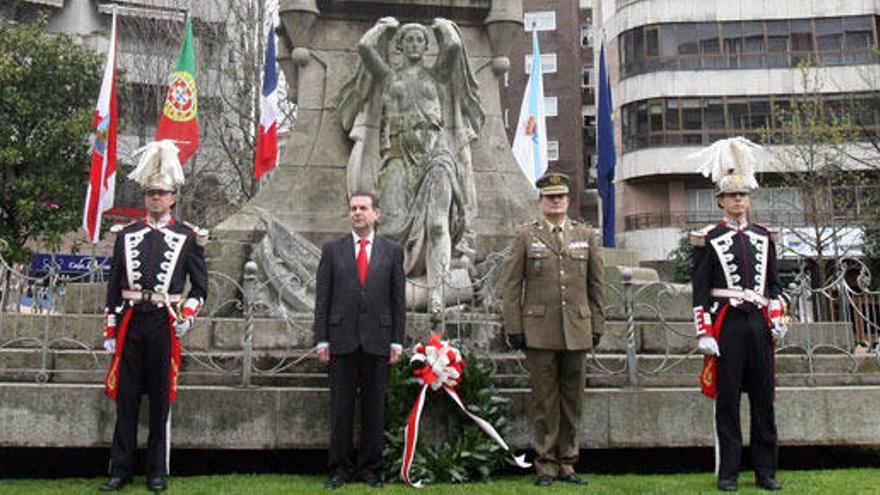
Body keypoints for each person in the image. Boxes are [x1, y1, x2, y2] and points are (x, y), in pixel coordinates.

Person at [337, 16, 484, 314]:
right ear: (400, 46)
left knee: (436, 224)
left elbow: (454, 47)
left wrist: (443, 27)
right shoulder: (389, 77)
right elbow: (365, 47)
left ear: (427, 46)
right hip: (399, 153)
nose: (416, 44)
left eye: (420, 40)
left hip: (436, 154)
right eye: (409, 40)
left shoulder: (437, 75)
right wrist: (382, 28)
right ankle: (391, 287)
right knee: (390, 225)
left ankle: (437, 293)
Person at [100, 140, 208, 492]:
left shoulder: (187, 236)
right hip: (131, 319)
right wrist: (110, 327)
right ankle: (120, 470)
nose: (155, 199)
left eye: (161, 194)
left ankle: (157, 472)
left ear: (173, 196)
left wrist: (187, 314)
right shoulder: (126, 235)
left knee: (161, 399)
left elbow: (201, 287)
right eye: (150, 194)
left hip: (164, 321)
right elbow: (114, 284)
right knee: (126, 398)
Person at [690, 138, 786, 492]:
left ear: (749, 199)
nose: (738, 201)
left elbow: (774, 285)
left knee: (764, 399)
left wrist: (776, 315)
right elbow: (700, 290)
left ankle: (766, 472)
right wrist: (705, 332)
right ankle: (728, 473)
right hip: (727, 323)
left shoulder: (765, 236)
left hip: (759, 324)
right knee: (727, 400)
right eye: (732, 197)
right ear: (720, 201)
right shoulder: (708, 238)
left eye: (743, 196)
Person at [502, 172, 605, 487]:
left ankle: (568, 463)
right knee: (545, 401)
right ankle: (545, 464)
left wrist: (596, 323)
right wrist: (515, 326)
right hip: (539, 330)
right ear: (541, 202)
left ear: (568, 201)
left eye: (560, 197)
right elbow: (511, 285)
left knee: (573, 400)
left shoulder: (585, 235)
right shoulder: (525, 235)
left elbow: (596, 284)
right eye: (550, 197)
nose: (556, 201)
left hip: (576, 327)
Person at [313, 191, 406, 489]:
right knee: (341, 410)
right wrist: (322, 340)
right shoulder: (332, 250)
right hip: (341, 341)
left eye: (363, 208)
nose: (357, 213)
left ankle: (370, 469)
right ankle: (339, 468)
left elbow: (398, 300)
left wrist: (397, 341)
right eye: (353, 208)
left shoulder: (392, 252)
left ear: (376, 214)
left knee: (374, 409)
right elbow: (323, 299)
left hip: (378, 341)